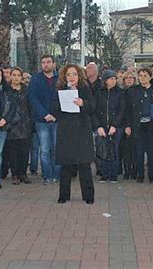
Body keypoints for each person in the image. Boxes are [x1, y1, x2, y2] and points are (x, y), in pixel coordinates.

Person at [52, 64, 95, 204]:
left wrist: (83, 103)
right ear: (65, 77)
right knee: (66, 164)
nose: (72, 77)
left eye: (74, 74)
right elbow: (53, 108)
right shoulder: (59, 90)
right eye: (69, 74)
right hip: (66, 130)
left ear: (79, 75)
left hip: (82, 130)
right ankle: (63, 195)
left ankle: (88, 196)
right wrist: (63, 102)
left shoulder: (86, 89)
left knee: (84, 164)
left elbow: (92, 107)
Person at [28, 55, 60, 184]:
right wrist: (44, 114)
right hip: (41, 121)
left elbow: (63, 98)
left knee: (56, 149)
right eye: (43, 62)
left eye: (48, 62)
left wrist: (55, 114)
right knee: (45, 150)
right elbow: (33, 99)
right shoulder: (35, 79)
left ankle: (57, 175)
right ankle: (47, 175)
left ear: (53, 64)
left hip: (57, 119)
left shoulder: (60, 79)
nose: (46, 64)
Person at [127, 67, 153, 183]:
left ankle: (151, 174)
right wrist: (128, 125)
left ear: (150, 77)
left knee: (151, 151)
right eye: (140, 75)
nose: (142, 78)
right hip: (138, 124)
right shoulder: (133, 90)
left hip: (152, 124)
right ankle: (140, 174)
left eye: (145, 75)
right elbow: (129, 110)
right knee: (139, 151)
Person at [93, 70, 125, 183]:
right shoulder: (98, 92)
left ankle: (113, 174)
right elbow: (94, 111)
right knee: (102, 150)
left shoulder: (120, 92)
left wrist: (115, 125)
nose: (114, 81)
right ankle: (104, 173)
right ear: (105, 80)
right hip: (102, 126)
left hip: (116, 126)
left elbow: (121, 110)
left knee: (114, 149)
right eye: (111, 78)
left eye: (115, 78)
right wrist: (98, 126)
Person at [6, 67, 32, 185]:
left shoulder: (26, 90)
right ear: (11, 76)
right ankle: (15, 174)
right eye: (14, 75)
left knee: (24, 151)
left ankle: (23, 173)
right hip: (12, 125)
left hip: (25, 125)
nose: (16, 77)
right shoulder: (6, 90)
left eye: (18, 75)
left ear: (22, 77)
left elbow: (30, 106)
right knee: (13, 152)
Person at [120, 71, 137, 180]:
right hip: (123, 124)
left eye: (131, 77)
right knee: (125, 150)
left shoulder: (137, 91)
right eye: (127, 78)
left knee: (135, 150)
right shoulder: (122, 92)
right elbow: (123, 110)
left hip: (136, 124)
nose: (129, 79)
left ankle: (134, 171)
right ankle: (127, 171)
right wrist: (126, 125)